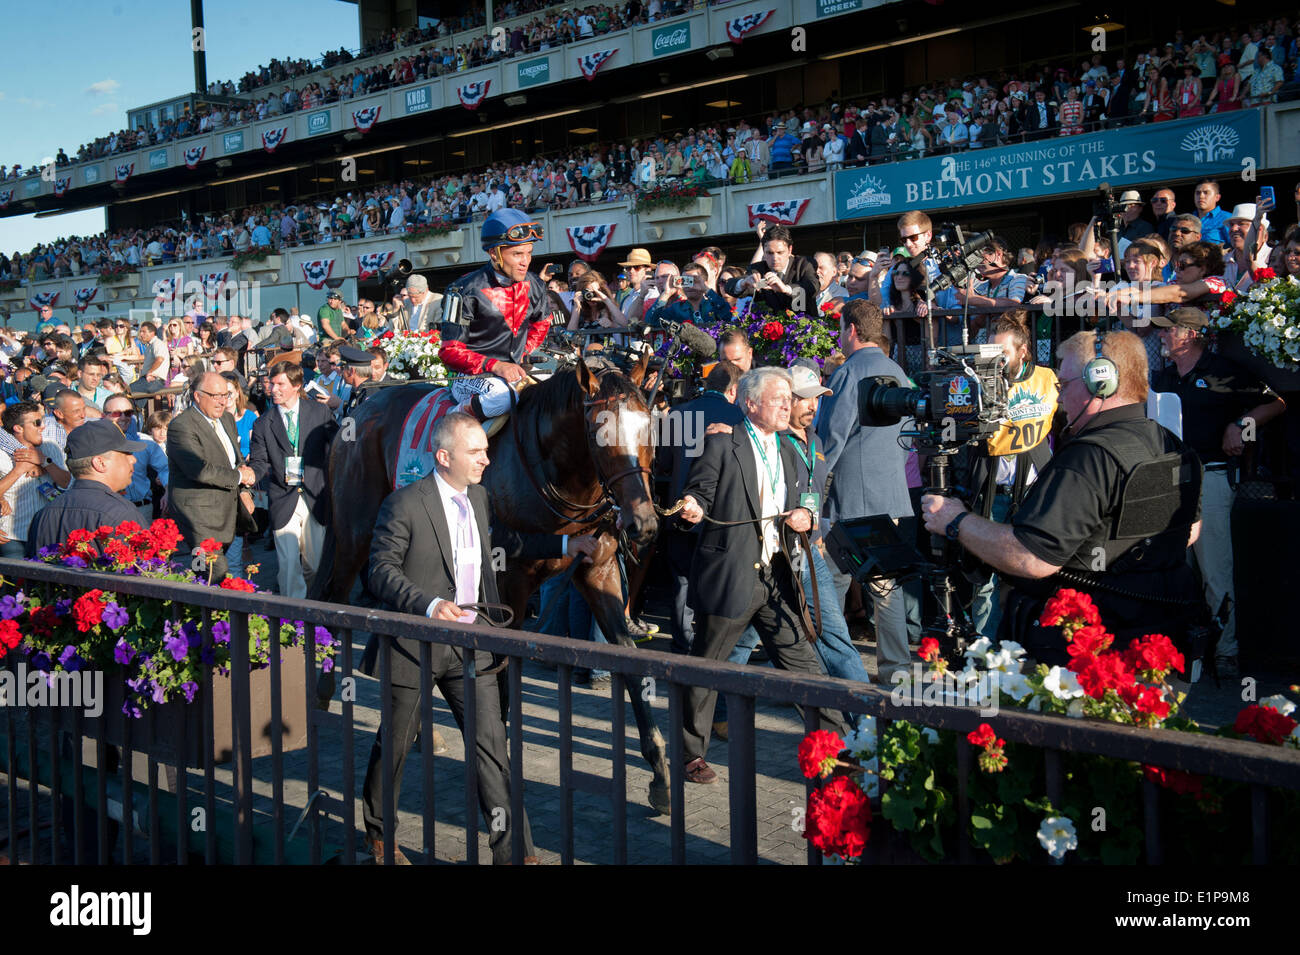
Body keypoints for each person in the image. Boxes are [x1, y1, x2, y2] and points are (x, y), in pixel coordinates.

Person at [361, 412, 593, 864]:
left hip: (474, 646)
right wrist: (428, 605)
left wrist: (567, 547)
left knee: (492, 749)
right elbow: (380, 571)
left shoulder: (480, 499)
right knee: (396, 743)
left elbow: (505, 541)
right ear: (443, 456)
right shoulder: (405, 504)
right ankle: (379, 835)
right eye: (476, 452)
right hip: (416, 644)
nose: (486, 459)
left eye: (486, 451)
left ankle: (515, 852)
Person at [921, 329, 1203, 664]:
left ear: (1102, 383)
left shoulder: (1089, 456)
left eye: (1064, 385)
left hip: (1084, 653)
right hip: (1159, 644)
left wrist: (954, 520)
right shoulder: (1172, 444)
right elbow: (1190, 532)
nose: (1057, 399)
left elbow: (1032, 558)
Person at [676, 367, 844, 785]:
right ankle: (689, 755)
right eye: (779, 399)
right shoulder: (720, 442)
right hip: (731, 575)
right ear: (751, 404)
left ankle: (839, 748)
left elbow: (810, 494)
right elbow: (699, 491)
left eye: (790, 398)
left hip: (775, 578)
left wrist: (808, 514)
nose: (789, 405)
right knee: (707, 670)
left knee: (806, 667)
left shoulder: (790, 448)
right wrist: (692, 508)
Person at [1151, 307, 1286, 676]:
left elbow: (1276, 401)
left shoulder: (1223, 370)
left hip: (1209, 478)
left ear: (1191, 335)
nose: (1161, 336)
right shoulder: (1161, 377)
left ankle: (1226, 652)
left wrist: (1240, 425)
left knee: (1215, 570)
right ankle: (1184, 649)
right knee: (1175, 568)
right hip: (1169, 481)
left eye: (1168, 331)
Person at [816, 300, 916, 682]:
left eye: (841, 328)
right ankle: (897, 670)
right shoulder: (897, 372)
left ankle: (829, 666)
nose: (840, 336)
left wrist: (813, 492)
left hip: (850, 504)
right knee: (886, 589)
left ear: (852, 330)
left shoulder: (848, 373)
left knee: (827, 585)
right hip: (890, 497)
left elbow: (831, 440)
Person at [965, 310, 1058, 638]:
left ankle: (1039, 642)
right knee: (985, 577)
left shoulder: (1047, 378)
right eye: (991, 352)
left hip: (1034, 491)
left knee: (1038, 570)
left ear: (1022, 351)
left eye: (1002, 353)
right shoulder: (981, 381)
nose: (996, 360)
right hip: (993, 488)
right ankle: (984, 648)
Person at [663, 360, 745, 655]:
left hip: (680, 511)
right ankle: (711, 648)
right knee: (716, 585)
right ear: (733, 390)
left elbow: (662, 464)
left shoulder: (678, 413)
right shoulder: (739, 417)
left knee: (682, 583)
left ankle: (682, 644)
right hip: (720, 516)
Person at [440, 210, 551, 423]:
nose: (525, 261)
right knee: (503, 399)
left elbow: (542, 322)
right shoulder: (462, 289)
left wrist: (523, 351)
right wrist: (496, 365)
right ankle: (450, 423)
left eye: (529, 253)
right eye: (517, 254)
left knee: (562, 388)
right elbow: (450, 351)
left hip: (515, 370)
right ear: (494, 253)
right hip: (467, 376)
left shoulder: (535, 284)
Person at [248, 363, 337, 598]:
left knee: (315, 567)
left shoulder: (319, 413)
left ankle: (316, 616)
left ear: (296, 386)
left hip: (315, 495)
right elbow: (259, 462)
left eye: (280, 384)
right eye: (271, 383)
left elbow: (340, 446)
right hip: (282, 497)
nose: (273, 389)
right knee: (288, 567)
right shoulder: (262, 423)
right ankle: (293, 621)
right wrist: (248, 477)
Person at [166, 371, 257, 580]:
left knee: (233, 570)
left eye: (225, 395)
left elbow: (236, 460)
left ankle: (232, 611)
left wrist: (244, 492)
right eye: (216, 396)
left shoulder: (226, 418)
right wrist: (240, 478)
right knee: (208, 573)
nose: (222, 402)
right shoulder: (181, 427)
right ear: (198, 396)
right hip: (199, 520)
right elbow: (200, 470)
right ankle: (205, 612)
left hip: (230, 513)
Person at [25, 419, 145, 557]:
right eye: (126, 453)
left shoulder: (43, 514)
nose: (133, 459)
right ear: (100, 463)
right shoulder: (120, 513)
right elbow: (147, 571)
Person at [0, 400, 69, 557]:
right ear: (18, 428)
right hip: (13, 536)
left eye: (42, 421)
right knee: (17, 581)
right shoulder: (1, 454)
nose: (43, 426)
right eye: (37, 423)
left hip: (47, 532)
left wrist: (45, 462)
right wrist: (18, 470)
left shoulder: (50, 446)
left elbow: (65, 481)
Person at [103, 394, 168, 527]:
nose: (123, 417)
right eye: (116, 413)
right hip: (112, 511)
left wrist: (168, 491)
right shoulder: (96, 443)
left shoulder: (145, 442)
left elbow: (165, 467)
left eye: (127, 413)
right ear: (104, 416)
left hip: (143, 508)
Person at [734, 224, 819, 314]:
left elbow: (812, 287)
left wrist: (786, 289)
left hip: (804, 325)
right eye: (770, 253)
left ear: (790, 250)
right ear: (764, 252)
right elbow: (730, 286)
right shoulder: (758, 269)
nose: (775, 258)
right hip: (767, 325)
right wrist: (743, 283)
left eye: (780, 252)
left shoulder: (804, 264)